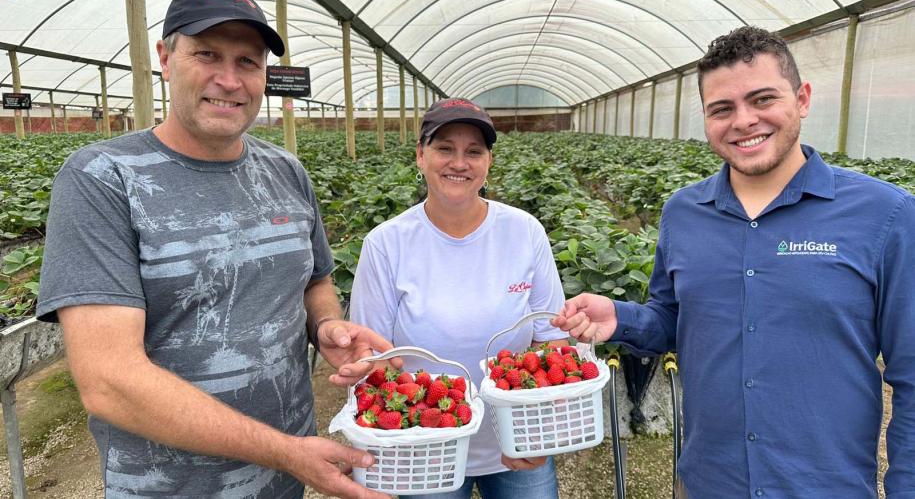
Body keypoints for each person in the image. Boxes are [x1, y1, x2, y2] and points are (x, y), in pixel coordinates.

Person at [36, 0, 396, 499]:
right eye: (207, 54)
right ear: (165, 59)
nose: (229, 80)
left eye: (248, 61)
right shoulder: (103, 178)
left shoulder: (286, 171)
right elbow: (109, 381)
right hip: (170, 488)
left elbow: (314, 280)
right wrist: (285, 451)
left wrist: (326, 327)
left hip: (284, 481)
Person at [554, 26, 915, 498]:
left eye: (763, 99)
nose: (744, 121)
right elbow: (673, 319)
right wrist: (620, 318)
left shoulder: (885, 215)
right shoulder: (683, 213)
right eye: (721, 108)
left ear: (802, 99)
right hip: (708, 482)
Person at [349, 98, 569, 499]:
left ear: (488, 162)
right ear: (420, 155)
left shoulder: (524, 232)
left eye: (474, 151)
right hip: (425, 444)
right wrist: (375, 442)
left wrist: (542, 433)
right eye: (445, 148)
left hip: (516, 440)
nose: (459, 163)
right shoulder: (386, 243)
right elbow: (371, 359)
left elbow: (551, 339)